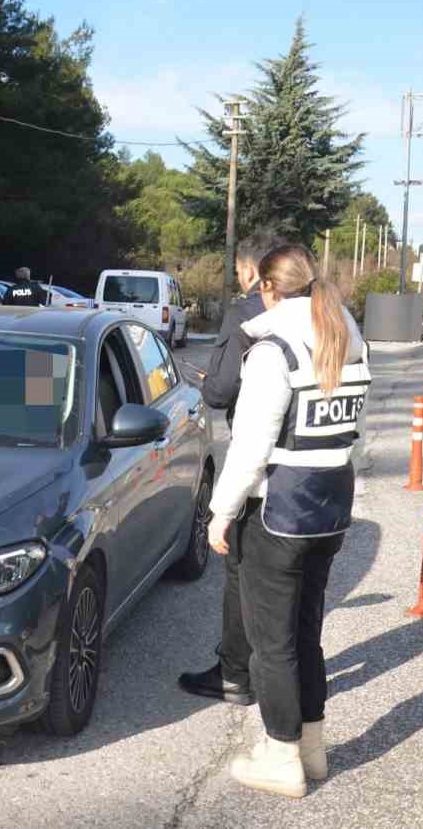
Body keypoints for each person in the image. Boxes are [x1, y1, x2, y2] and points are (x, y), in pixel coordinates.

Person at [206, 243, 371, 798]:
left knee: (270, 643)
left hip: (279, 509)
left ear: (270, 290)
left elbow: (250, 448)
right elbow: (350, 430)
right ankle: (311, 749)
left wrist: (220, 513)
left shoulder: (273, 351)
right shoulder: (347, 338)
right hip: (332, 503)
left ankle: (280, 757)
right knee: (307, 632)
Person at [177, 231, 277, 706]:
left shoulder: (243, 313)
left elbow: (218, 392)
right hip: (312, 472)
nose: (238, 278)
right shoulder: (323, 313)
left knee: (240, 569)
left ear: (253, 271)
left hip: (258, 461)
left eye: (239, 270)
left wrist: (212, 379)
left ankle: (235, 674)